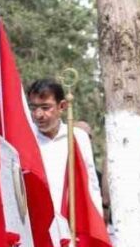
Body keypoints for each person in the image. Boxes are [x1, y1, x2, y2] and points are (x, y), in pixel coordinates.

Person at [28, 79, 102, 219]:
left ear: (62, 106)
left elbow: (91, 185)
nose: (38, 114)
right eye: (34, 108)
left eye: (45, 107)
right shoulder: (26, 138)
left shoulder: (77, 138)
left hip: (71, 224)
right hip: (36, 225)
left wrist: (97, 222)